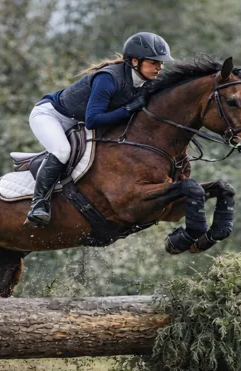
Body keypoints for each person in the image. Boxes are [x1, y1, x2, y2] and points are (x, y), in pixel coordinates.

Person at [24, 32, 175, 227]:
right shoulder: (108, 78)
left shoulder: (146, 82)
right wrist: (129, 109)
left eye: (161, 63)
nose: (160, 67)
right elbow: (93, 121)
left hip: (76, 122)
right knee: (62, 151)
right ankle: (39, 204)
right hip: (51, 115)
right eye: (154, 62)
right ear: (135, 61)